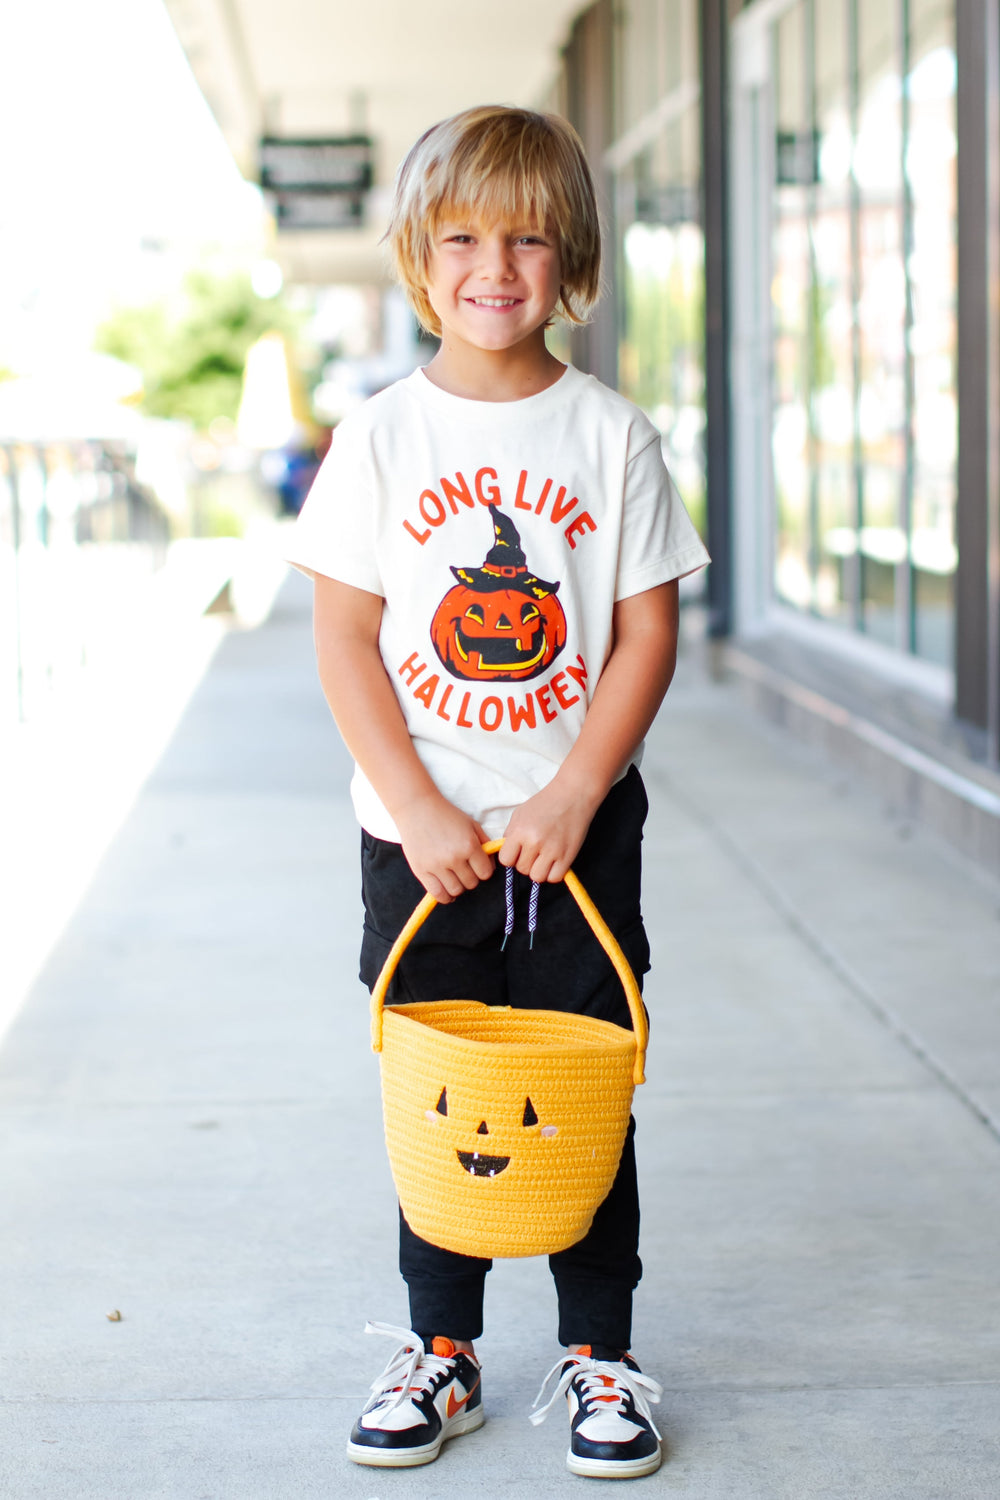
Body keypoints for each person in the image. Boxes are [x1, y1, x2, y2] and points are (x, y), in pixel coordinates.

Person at [285, 104, 709, 1480]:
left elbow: (646, 628)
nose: (494, 266)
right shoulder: (381, 439)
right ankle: (444, 1349)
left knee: (583, 1090)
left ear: (570, 256)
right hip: (421, 839)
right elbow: (346, 634)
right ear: (418, 259)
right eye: (462, 237)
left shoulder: (610, 435)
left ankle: (600, 1350)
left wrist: (580, 787)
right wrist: (417, 809)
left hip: (576, 833)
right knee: (443, 1094)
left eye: (528, 237)